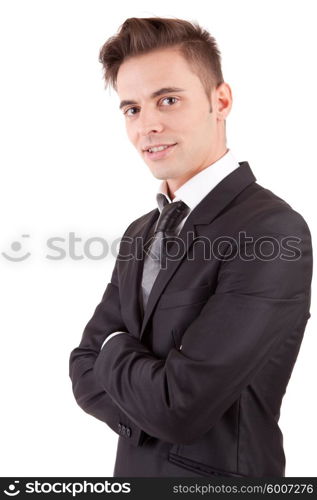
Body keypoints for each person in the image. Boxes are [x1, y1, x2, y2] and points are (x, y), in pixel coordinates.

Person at [69, 17, 312, 477]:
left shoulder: (272, 232)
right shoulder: (140, 231)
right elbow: (82, 370)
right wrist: (149, 398)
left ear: (220, 101)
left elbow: (179, 407)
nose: (148, 126)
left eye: (168, 100)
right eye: (132, 109)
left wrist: (115, 348)